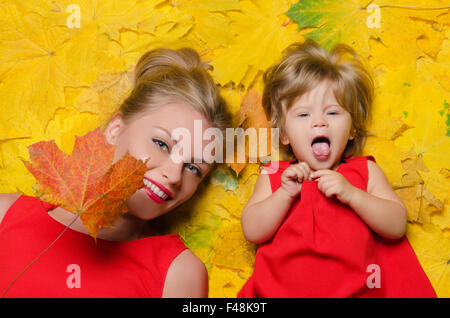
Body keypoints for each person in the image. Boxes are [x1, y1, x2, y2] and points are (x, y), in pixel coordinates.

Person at [0, 47, 230, 298]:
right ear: (115, 129)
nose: (175, 176)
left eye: (193, 168)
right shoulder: (6, 215)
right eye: (162, 144)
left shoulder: (178, 274)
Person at [238, 40, 436, 297]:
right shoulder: (276, 176)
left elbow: (397, 225)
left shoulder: (364, 172)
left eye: (332, 113)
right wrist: (284, 195)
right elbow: (253, 231)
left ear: (353, 129)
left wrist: (353, 195)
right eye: (303, 115)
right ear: (285, 134)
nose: (319, 122)